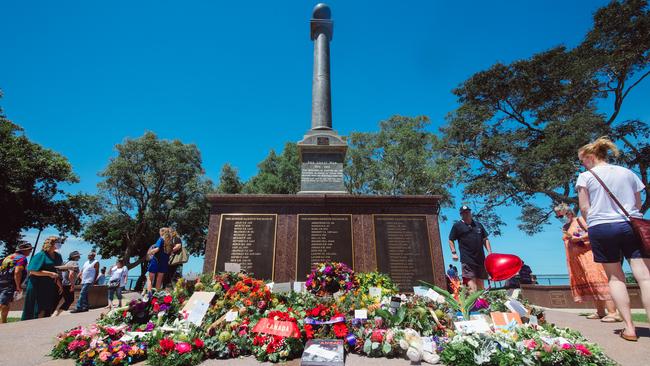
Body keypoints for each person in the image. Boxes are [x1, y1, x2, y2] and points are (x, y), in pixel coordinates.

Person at [576, 137, 649, 341]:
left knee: (615, 277)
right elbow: (636, 204)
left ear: (590, 157)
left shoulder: (585, 176)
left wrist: (594, 221)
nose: (582, 164)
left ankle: (629, 328)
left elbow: (584, 207)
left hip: (601, 227)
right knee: (645, 277)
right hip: (630, 225)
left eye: (583, 160)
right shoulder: (627, 173)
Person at [554, 203, 620, 322]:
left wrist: (579, 238)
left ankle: (613, 312)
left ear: (568, 212)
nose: (560, 218)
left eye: (560, 216)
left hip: (588, 256)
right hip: (575, 259)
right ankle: (600, 311)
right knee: (591, 284)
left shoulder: (579, 220)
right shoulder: (565, 226)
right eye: (557, 217)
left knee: (599, 281)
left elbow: (592, 232)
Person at [448, 205, 492, 291]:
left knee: (480, 284)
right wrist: (454, 253)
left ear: (470, 213)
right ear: (461, 214)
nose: (466, 214)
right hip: (467, 259)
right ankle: (474, 301)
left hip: (480, 259)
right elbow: (451, 239)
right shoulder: (457, 226)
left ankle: (481, 302)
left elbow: (485, 239)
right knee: (471, 283)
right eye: (464, 213)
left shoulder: (478, 225)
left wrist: (490, 253)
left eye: (468, 212)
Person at [22, 236, 63, 320]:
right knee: (37, 307)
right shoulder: (40, 255)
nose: (60, 244)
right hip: (37, 285)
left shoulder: (58, 256)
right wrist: (49, 273)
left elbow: (57, 270)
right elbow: (33, 271)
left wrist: (59, 284)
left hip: (49, 285)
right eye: (58, 242)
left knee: (46, 307)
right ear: (51, 244)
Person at [0, 243, 32, 323]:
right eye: (30, 250)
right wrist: (18, 286)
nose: (30, 251)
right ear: (24, 250)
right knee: (4, 303)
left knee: (4, 302)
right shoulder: (22, 258)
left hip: (2, 280)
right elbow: (17, 272)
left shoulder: (8, 257)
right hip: (10, 283)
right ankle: (3, 322)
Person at [54, 251, 80, 316]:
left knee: (63, 299)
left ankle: (55, 312)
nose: (79, 257)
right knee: (70, 300)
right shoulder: (74, 263)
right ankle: (56, 313)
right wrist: (72, 285)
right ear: (75, 257)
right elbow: (71, 274)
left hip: (63, 283)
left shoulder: (66, 262)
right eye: (78, 256)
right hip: (68, 284)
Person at [147, 228, 172, 293]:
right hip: (164, 262)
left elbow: (157, 249)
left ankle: (149, 294)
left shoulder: (161, 239)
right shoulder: (170, 242)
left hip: (156, 260)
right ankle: (157, 295)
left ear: (162, 232)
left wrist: (150, 251)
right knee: (159, 279)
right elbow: (170, 253)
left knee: (150, 278)